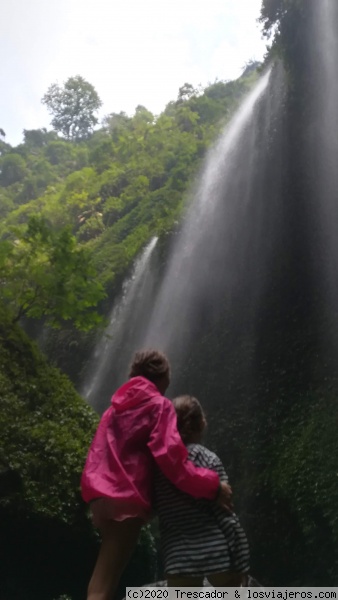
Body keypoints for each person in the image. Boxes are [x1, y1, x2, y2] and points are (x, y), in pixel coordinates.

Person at [81, 350, 232, 600]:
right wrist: (212, 487)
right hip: (125, 499)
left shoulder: (112, 409)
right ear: (161, 378)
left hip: (100, 495)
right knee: (103, 585)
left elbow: (98, 452)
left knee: (102, 577)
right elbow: (171, 460)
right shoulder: (160, 406)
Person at [154, 394, 250, 588]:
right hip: (218, 557)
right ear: (201, 423)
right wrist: (241, 560)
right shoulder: (209, 460)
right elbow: (226, 515)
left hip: (178, 559)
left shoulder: (159, 467)